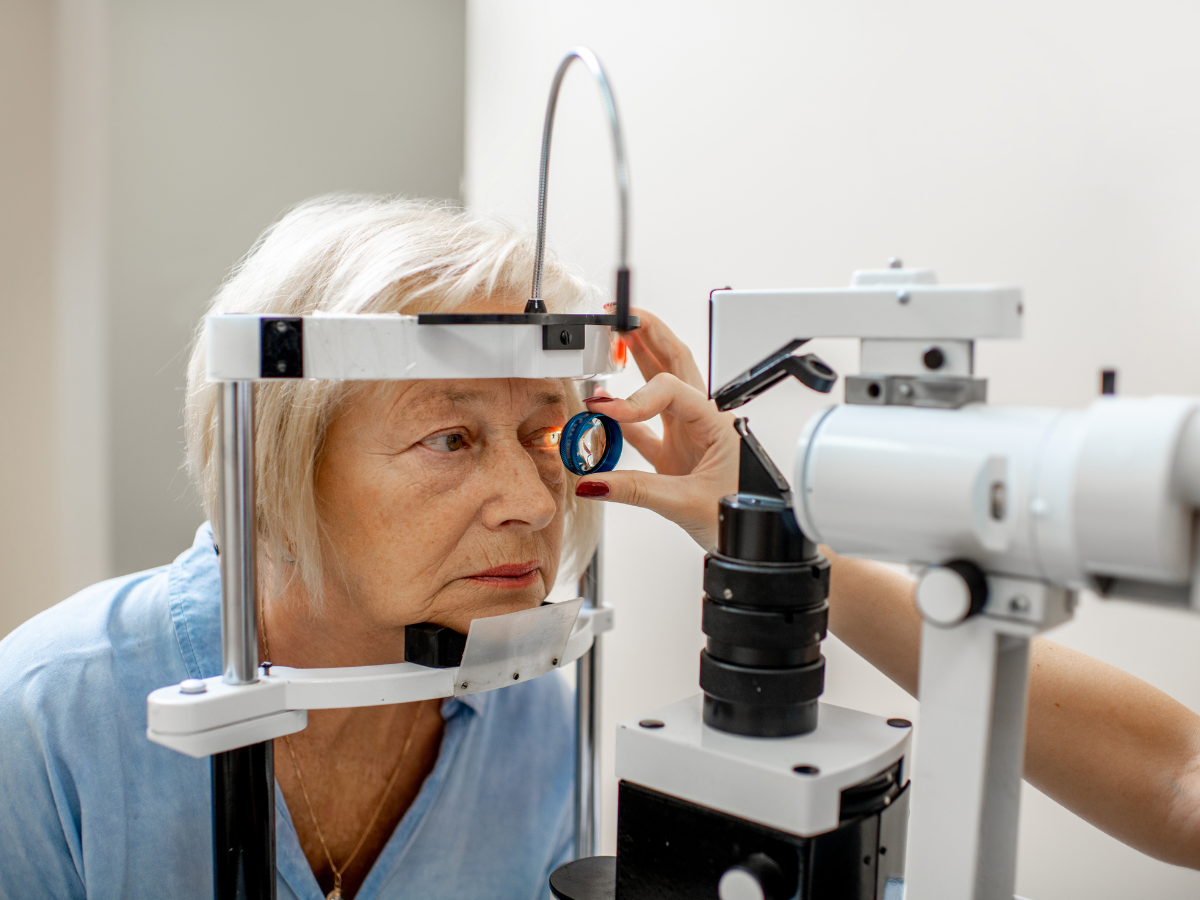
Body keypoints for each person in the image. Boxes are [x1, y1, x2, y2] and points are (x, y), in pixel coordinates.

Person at [0, 194, 1196, 900]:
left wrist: (761, 519)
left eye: (547, 431)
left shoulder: (525, 700)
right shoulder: (52, 719)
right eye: (452, 437)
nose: (532, 500)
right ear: (277, 461)